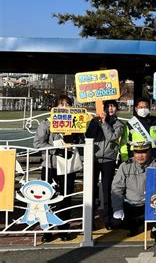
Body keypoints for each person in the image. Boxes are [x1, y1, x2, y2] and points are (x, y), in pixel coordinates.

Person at [33, 95, 82, 242]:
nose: (65, 107)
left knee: (66, 197)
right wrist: (56, 149)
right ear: (55, 107)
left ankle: (63, 228)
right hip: (51, 165)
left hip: (68, 166)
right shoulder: (46, 124)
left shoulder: (75, 123)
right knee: (47, 198)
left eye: (68, 104)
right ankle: (46, 229)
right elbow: (37, 143)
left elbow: (83, 139)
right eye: (61, 104)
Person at [110, 141, 156, 243]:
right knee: (115, 223)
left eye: (143, 152)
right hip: (131, 204)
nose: (140, 155)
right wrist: (118, 208)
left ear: (149, 152)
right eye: (137, 152)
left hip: (150, 204)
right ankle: (134, 225)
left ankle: (155, 231)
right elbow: (116, 188)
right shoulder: (125, 166)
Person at [85, 99, 124, 229]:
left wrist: (103, 123)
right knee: (92, 189)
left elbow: (112, 137)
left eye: (113, 107)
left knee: (107, 189)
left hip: (109, 159)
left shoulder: (118, 124)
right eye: (108, 106)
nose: (110, 109)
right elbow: (88, 136)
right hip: (93, 158)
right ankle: (90, 220)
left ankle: (107, 219)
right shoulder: (94, 121)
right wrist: (96, 122)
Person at [119, 97, 156, 162]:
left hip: (155, 157)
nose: (143, 109)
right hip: (136, 157)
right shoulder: (130, 124)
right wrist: (125, 159)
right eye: (140, 107)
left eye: (146, 107)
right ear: (136, 109)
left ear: (149, 108)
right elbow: (123, 144)